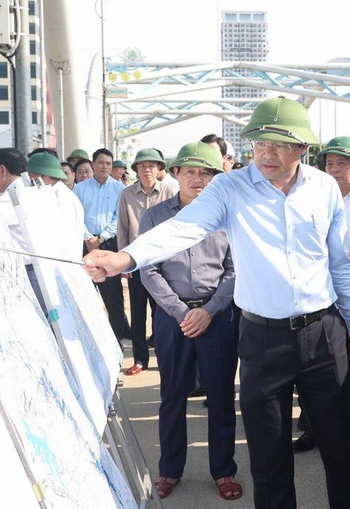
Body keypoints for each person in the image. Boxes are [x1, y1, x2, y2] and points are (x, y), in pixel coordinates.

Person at [85, 96, 350, 509]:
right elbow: (183, 229)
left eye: (279, 144)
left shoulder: (323, 188)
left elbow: (339, 264)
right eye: (259, 144)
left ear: (303, 148)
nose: (267, 153)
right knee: (269, 460)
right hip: (262, 340)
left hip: (323, 335)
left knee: (341, 449)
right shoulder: (229, 188)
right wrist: (125, 257)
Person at [139, 142, 241, 501]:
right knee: (172, 395)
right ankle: (169, 470)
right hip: (172, 318)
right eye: (191, 171)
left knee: (221, 396)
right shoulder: (154, 216)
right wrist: (182, 312)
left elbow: (235, 270)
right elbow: (147, 269)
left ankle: (224, 471)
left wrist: (209, 310)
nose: (198, 178)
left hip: (218, 316)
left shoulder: (229, 216)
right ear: (176, 173)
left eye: (207, 172)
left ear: (216, 177)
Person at [292, 136, 350, 456]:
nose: (335, 169)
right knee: (315, 371)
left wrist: (321, 258)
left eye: (343, 163)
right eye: (329, 163)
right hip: (317, 301)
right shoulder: (311, 197)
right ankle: (315, 430)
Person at [117, 148, 178, 375]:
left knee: (161, 312)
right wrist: (124, 262)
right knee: (138, 312)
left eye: (151, 166)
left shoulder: (170, 191)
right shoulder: (127, 194)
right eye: (142, 166)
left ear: (159, 169)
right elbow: (122, 228)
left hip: (163, 262)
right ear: (136, 170)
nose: (147, 170)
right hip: (136, 260)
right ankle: (140, 359)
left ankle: (164, 358)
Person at [73, 148, 127, 345]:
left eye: (108, 164)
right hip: (84, 244)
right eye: (101, 163)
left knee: (113, 297)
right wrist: (89, 238)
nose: (105, 166)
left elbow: (118, 218)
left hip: (109, 244)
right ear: (93, 164)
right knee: (85, 294)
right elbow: (76, 215)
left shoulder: (119, 189)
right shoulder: (80, 188)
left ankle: (116, 341)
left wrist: (101, 238)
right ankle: (89, 342)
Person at [0, 148, 47, 316]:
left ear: (2, 170)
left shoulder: (11, 199)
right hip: (41, 269)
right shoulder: (32, 190)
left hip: (30, 273)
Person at [28, 152, 86, 259]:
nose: (29, 183)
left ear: (41, 177)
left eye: (30, 178)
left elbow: (61, 238)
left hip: (61, 263)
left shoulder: (63, 198)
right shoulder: (51, 194)